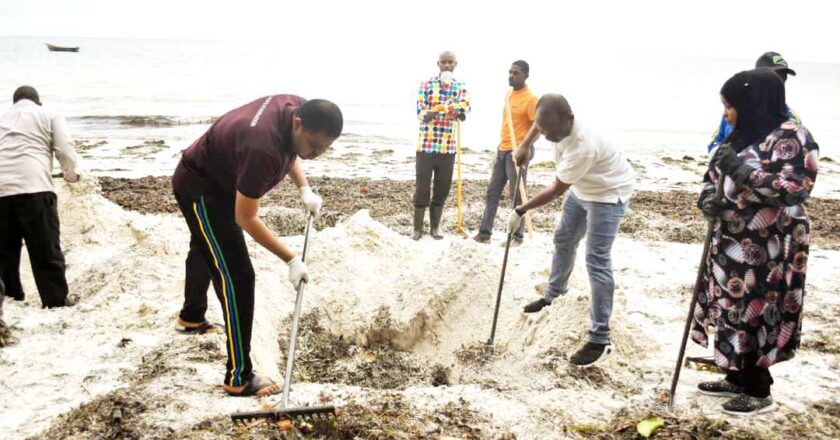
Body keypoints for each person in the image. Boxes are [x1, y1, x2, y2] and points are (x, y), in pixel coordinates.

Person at [171, 95, 342, 397]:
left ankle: (191, 316)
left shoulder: (297, 109)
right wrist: (290, 259)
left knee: (206, 245)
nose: (315, 154)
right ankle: (238, 377)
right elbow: (246, 218)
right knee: (236, 276)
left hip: (222, 175)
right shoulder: (262, 147)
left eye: (324, 149)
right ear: (298, 123)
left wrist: (304, 189)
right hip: (201, 188)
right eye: (314, 146)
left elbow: (293, 151)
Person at [692, 68, 818, 416]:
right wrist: (708, 201)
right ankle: (735, 376)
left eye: (730, 106)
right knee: (731, 305)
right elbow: (711, 179)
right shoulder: (738, 135)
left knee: (758, 309)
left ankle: (759, 389)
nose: (725, 113)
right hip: (732, 239)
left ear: (752, 103)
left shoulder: (793, 136)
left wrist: (744, 173)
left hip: (772, 245)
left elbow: (796, 188)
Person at [508, 94, 636, 367]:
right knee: (564, 238)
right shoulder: (551, 123)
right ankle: (554, 296)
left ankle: (600, 339)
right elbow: (538, 125)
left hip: (608, 193)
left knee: (597, 260)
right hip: (582, 187)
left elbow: (555, 190)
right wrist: (525, 145)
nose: (550, 138)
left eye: (553, 133)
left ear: (569, 119)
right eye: (545, 132)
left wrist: (520, 210)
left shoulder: (583, 146)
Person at [0, 86, 79, 309]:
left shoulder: (2, 116)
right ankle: (55, 302)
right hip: (34, 187)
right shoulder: (48, 113)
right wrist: (70, 174)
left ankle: (11, 300)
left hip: (2, 190)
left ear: (15, 101)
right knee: (45, 248)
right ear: (37, 101)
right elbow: (64, 148)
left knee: (5, 252)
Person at [473, 60, 538, 247]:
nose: (511, 76)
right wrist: (499, 148)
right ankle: (484, 233)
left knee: (517, 196)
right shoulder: (508, 95)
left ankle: (517, 237)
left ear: (526, 75)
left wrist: (524, 147)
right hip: (503, 150)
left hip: (518, 152)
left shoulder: (531, 99)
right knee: (492, 193)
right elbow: (507, 125)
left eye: (515, 73)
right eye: (509, 72)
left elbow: (538, 127)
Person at [413, 51, 471, 240]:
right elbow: (421, 113)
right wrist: (447, 109)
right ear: (438, 64)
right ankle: (417, 229)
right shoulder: (427, 85)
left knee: (442, 189)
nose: (447, 65)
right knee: (422, 188)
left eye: (450, 62)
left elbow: (467, 106)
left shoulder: (460, 87)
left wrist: (445, 109)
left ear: (456, 64)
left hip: (448, 148)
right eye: (443, 62)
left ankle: (435, 228)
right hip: (426, 146)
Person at [707, 52, 800, 152]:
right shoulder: (735, 112)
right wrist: (720, 155)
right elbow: (715, 142)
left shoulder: (790, 119)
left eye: (783, 77)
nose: (779, 81)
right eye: (773, 76)